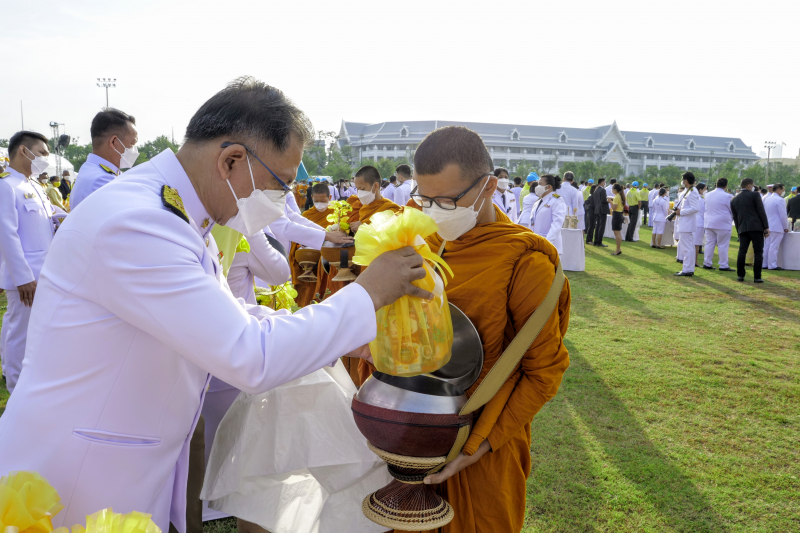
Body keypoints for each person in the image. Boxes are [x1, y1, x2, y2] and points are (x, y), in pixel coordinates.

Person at [0, 78, 432, 533]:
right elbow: (249, 355)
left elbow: (233, 317)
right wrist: (368, 294)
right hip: (80, 475)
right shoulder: (141, 223)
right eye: (279, 185)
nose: (282, 202)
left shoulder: (179, 217)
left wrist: (353, 336)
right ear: (231, 160)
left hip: (125, 460)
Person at [361, 125, 570, 533]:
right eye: (424, 198)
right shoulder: (426, 245)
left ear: (489, 186)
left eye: (447, 200)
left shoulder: (526, 263)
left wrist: (475, 448)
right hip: (415, 433)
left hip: (484, 444)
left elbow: (544, 373)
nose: (434, 210)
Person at [0, 130, 61, 394]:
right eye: (43, 153)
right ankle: (15, 389)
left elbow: (51, 218)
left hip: (44, 275)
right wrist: (23, 277)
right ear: (24, 151)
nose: (46, 159)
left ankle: (32, 386)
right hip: (26, 280)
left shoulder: (33, 185)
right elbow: (7, 234)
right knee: (20, 336)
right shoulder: (6, 185)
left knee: (38, 334)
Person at [70, 108, 138, 209]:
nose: (135, 150)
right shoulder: (101, 180)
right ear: (114, 142)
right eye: (132, 144)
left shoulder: (95, 171)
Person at [731, 177, 769, 283]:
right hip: (756, 227)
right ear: (749, 186)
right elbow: (761, 212)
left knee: (742, 251)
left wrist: (739, 229)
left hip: (743, 227)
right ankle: (757, 276)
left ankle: (740, 275)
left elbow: (735, 217)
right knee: (758, 252)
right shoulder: (755, 195)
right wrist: (766, 227)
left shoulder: (734, 199)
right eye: (752, 185)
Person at [351, 164, 401, 233]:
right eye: (357, 189)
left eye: (362, 189)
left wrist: (364, 226)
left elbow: (389, 233)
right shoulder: (365, 208)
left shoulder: (391, 209)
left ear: (375, 186)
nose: (359, 193)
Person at [702, 178, 734, 271]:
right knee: (723, 244)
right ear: (726, 186)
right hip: (722, 223)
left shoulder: (707, 195)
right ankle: (723, 265)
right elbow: (732, 210)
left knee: (709, 243)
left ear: (716, 184)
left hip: (709, 222)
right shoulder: (728, 196)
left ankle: (707, 263)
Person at [529, 174, 566, 253]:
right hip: (536, 244)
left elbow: (557, 224)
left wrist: (546, 243)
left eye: (540, 184)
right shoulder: (538, 201)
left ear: (548, 187)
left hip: (549, 246)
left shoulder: (557, 201)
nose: (537, 186)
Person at [763, 183, 790, 270]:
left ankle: (764, 264)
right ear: (779, 190)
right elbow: (783, 215)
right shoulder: (780, 200)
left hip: (768, 225)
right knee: (774, 246)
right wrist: (786, 227)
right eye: (782, 190)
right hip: (777, 226)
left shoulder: (767, 199)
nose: (783, 191)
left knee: (767, 245)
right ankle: (772, 265)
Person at [592, 178, 610, 247]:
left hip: (597, 209)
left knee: (598, 226)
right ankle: (599, 242)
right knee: (601, 226)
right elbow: (603, 200)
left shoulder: (596, 189)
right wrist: (609, 200)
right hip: (602, 210)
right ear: (602, 182)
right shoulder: (602, 190)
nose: (605, 183)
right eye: (604, 182)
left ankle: (596, 241)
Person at [693, 182, 707, 266]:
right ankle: (695, 261)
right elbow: (703, 212)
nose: (706, 190)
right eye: (705, 189)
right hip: (699, 222)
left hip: (693, 221)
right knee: (696, 243)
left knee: (693, 243)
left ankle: (692, 260)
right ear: (700, 190)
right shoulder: (701, 199)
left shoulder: (695, 197)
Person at [610, 183, 625, 255]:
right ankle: (618, 249)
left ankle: (618, 249)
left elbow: (614, 208)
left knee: (617, 234)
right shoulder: (619, 196)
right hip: (619, 215)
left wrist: (610, 201)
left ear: (615, 190)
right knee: (618, 233)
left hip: (617, 215)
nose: (612, 190)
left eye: (612, 189)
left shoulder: (616, 197)